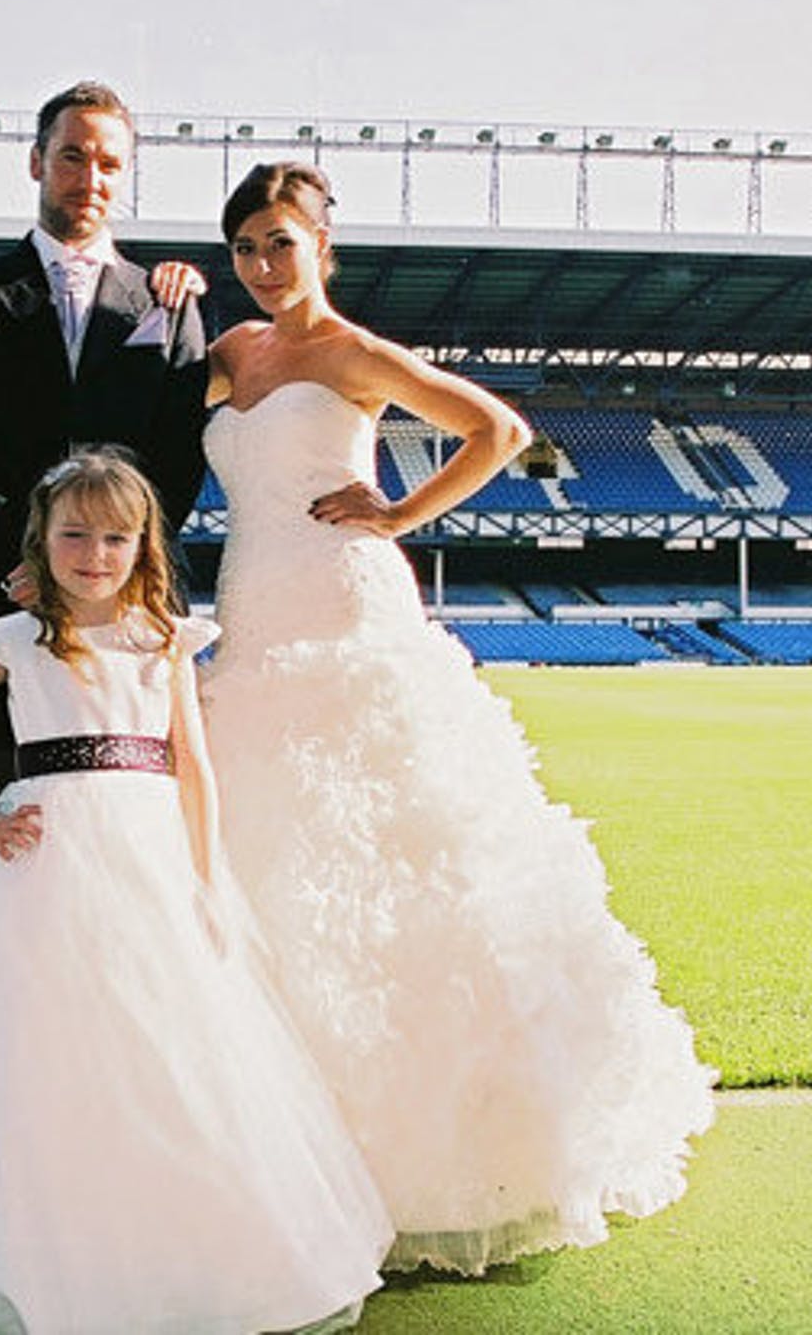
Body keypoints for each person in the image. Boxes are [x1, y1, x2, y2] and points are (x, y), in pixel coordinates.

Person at [198, 162, 717, 1275]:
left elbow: (494, 427)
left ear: (319, 246)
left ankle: (432, 1154)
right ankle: (270, 1138)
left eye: (280, 243)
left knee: (397, 851)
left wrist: (396, 511)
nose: (260, 266)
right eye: (243, 247)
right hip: (248, 605)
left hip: (342, 598)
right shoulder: (229, 355)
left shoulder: (352, 352)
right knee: (265, 850)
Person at [0, 449, 391, 1334]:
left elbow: (192, 763)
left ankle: (180, 1227)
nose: (95, 553)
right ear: (41, 539)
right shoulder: (15, 638)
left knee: (172, 1034)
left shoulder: (164, 639)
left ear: (143, 543)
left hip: (149, 851)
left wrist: (205, 872)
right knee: (49, 1041)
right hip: (49, 862)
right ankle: (48, 1236)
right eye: (74, 534)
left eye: (116, 537)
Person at [0, 80, 211, 1079]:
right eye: (71, 154)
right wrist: (30, 567)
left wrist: (111, 586)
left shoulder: (167, 304)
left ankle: (102, 1091)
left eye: (108, 160)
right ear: (35, 161)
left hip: (120, 637)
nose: (89, 176)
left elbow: (176, 465)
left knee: (123, 867)